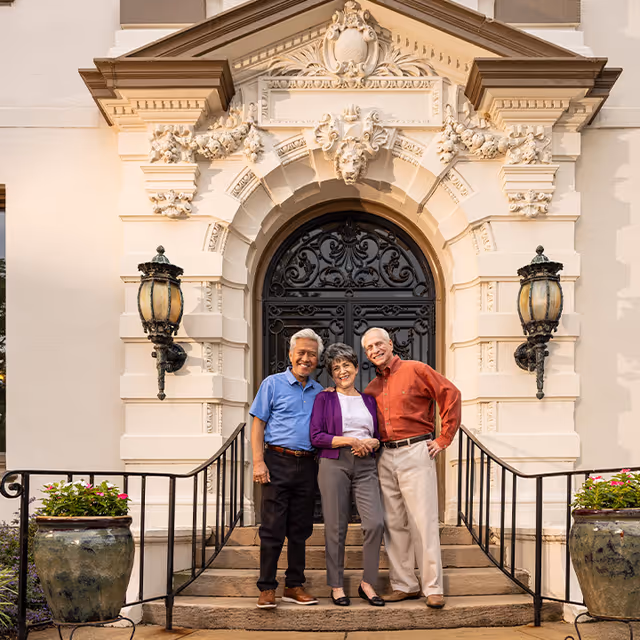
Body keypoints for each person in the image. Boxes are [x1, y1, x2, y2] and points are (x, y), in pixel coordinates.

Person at [362, 327, 461, 609]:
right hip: (385, 455)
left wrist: (444, 438)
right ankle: (405, 584)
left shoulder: (416, 369)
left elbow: (451, 394)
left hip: (416, 450)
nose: (374, 350)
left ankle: (433, 587)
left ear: (390, 344)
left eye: (378, 344)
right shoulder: (370, 389)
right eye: (369, 348)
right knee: (394, 524)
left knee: (423, 521)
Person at [250, 328, 324, 609]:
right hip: (276, 462)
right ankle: (267, 587)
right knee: (272, 527)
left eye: (312, 354)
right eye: (301, 353)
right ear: (291, 354)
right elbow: (259, 424)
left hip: (307, 464)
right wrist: (259, 462)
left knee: (300, 528)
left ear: (317, 360)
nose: (306, 358)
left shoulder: (320, 392)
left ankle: (294, 585)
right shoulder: (272, 384)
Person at [309, 343, 385, 608]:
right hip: (334, 463)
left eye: (346, 365)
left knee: (375, 523)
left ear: (355, 367)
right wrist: (350, 440)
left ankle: (367, 583)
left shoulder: (369, 400)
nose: (342, 371)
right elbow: (316, 436)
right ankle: (337, 585)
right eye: (336, 368)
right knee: (336, 526)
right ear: (331, 374)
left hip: (366, 465)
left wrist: (373, 443)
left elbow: (378, 437)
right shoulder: (325, 398)